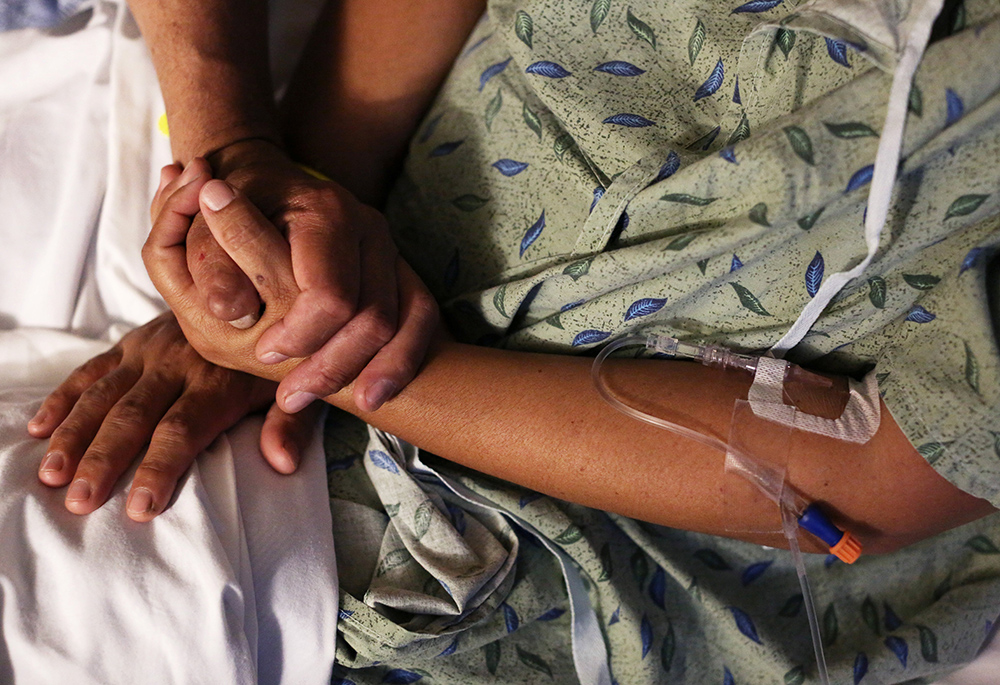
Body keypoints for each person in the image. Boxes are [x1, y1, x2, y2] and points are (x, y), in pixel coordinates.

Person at [30, 0, 1000, 682]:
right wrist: (268, 207)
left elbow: (881, 469)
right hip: (348, 196)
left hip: (544, 567)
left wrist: (351, 358)